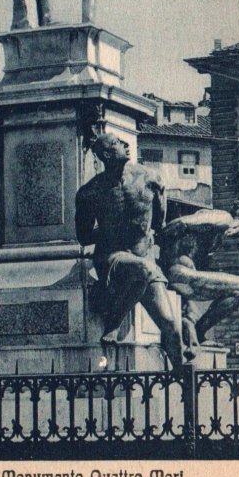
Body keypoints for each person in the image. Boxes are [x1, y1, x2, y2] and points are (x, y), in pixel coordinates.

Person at [75, 134, 184, 371]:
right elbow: (83, 236)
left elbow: (159, 224)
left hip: (143, 258)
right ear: (105, 155)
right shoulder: (90, 192)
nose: (125, 144)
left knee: (171, 326)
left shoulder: (150, 179)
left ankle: (184, 380)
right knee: (143, 268)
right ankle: (113, 325)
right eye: (116, 143)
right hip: (113, 258)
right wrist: (111, 232)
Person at [157, 202, 239, 356]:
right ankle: (199, 331)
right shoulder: (224, 218)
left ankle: (197, 331)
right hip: (177, 271)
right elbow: (180, 223)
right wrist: (158, 245)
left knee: (237, 290)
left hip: (181, 273)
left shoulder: (218, 235)